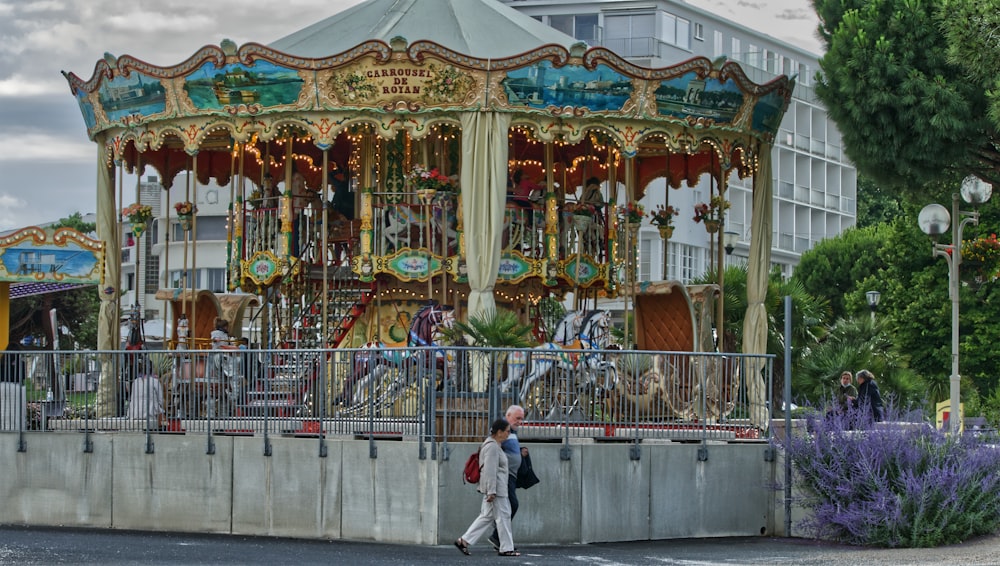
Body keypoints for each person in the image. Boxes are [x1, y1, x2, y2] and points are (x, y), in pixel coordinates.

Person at [454, 417, 520, 557]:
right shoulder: (492, 447)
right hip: (497, 489)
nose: (509, 434)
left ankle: (464, 541)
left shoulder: (493, 445)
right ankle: (506, 548)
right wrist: (492, 491)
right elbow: (490, 470)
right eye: (507, 431)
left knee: (486, 516)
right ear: (499, 432)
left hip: (495, 488)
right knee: (503, 516)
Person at [489, 405, 527, 552]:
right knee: (511, 505)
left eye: (522, 419)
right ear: (509, 415)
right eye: (517, 418)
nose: (520, 422)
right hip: (505, 477)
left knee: (494, 512)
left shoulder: (510, 431)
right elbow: (493, 446)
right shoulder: (503, 430)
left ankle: (500, 540)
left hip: (509, 475)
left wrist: (519, 452)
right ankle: (498, 538)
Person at [126, 356, 165, 428]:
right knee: (161, 412)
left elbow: (132, 398)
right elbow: (161, 400)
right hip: (149, 414)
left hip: (134, 414)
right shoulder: (155, 382)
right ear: (151, 369)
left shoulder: (135, 381)